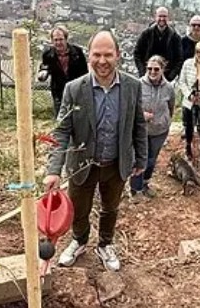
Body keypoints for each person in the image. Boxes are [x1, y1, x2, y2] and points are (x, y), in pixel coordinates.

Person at [44, 30, 148, 272]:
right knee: (79, 210)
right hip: (82, 164)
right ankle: (79, 241)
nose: (103, 61)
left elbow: (138, 123)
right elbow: (61, 132)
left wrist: (141, 157)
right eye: (97, 54)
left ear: (118, 56)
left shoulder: (132, 87)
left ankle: (105, 244)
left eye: (108, 55)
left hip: (116, 163)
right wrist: (53, 170)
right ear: (88, 55)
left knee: (110, 208)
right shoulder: (74, 89)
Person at [131, 55, 175, 198]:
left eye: (156, 69)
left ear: (163, 69)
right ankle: (135, 188)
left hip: (159, 131)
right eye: (149, 68)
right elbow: (130, 108)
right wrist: (141, 116)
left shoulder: (168, 88)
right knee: (139, 158)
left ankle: (145, 183)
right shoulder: (138, 85)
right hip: (141, 130)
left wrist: (164, 120)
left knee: (151, 159)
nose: (152, 72)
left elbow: (171, 106)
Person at [38, 25, 88, 118]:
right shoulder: (48, 54)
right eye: (55, 40)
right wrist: (43, 73)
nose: (58, 42)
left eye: (61, 39)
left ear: (66, 39)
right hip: (59, 92)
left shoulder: (77, 52)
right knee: (60, 121)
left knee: (78, 119)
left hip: (76, 92)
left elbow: (84, 73)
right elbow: (45, 67)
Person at [133, 6, 183, 81]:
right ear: (155, 17)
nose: (162, 19)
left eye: (164, 16)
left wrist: (170, 77)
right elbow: (137, 54)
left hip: (165, 79)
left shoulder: (175, 37)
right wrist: (143, 73)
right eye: (160, 16)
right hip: (147, 77)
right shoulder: (146, 34)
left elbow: (179, 59)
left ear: (168, 18)